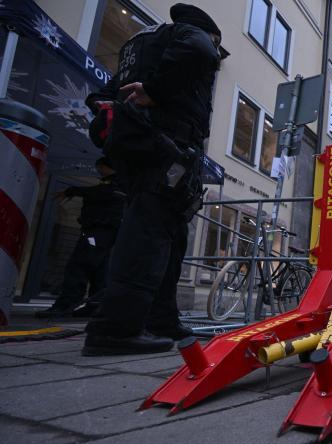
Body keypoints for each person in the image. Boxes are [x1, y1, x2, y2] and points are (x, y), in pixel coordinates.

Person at [81, 4, 221, 356]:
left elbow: (103, 95)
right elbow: (200, 50)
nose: (215, 51)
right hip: (167, 143)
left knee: (168, 233)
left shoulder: (139, 44)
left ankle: (161, 319)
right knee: (150, 231)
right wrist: (157, 92)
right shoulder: (188, 35)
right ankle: (116, 329)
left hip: (143, 141)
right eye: (216, 43)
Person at [36, 157, 125, 318]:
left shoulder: (116, 185)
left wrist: (72, 191)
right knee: (99, 270)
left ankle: (66, 305)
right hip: (103, 234)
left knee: (79, 266)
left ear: (105, 167)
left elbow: (102, 194)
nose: (98, 171)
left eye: (100, 168)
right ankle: (94, 307)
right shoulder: (118, 184)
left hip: (97, 233)